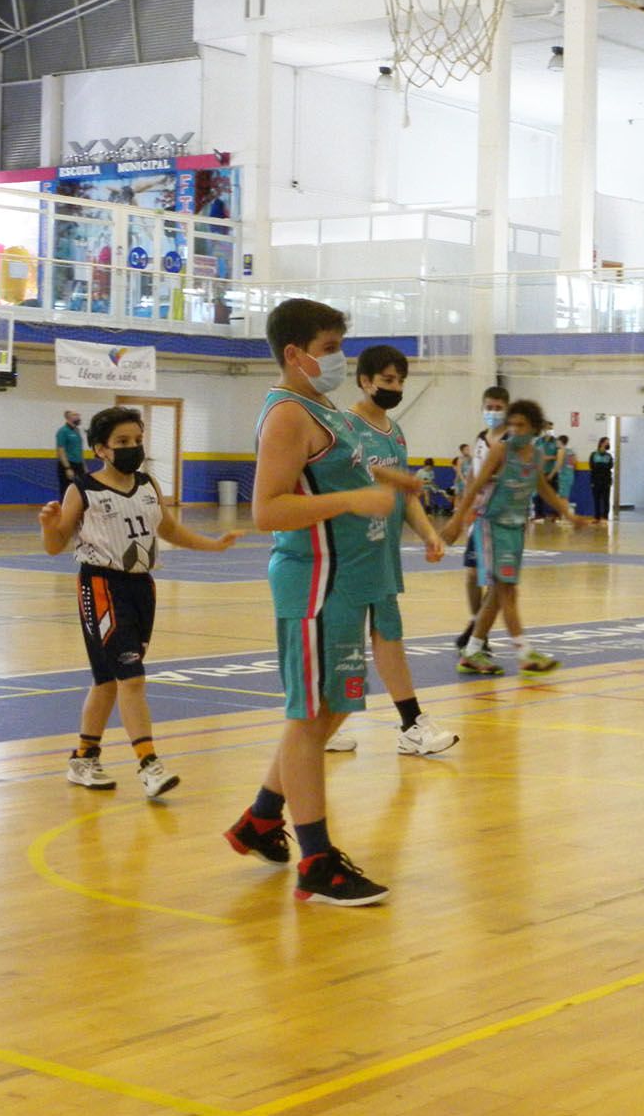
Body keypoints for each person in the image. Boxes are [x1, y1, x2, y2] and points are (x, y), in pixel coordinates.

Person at [223, 298, 420, 906]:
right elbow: (267, 510)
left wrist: (388, 484)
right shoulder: (286, 414)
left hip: (351, 583)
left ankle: (261, 818)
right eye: (331, 347)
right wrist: (352, 502)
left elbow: (338, 477)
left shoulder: (323, 405)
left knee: (330, 712)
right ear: (295, 353)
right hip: (314, 583)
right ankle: (317, 860)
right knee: (310, 720)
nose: (339, 358)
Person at [39, 405, 241, 796]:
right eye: (122, 442)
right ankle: (149, 765)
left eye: (137, 440)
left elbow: (170, 530)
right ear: (101, 449)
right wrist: (49, 527)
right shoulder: (82, 490)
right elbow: (55, 546)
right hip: (101, 586)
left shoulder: (148, 485)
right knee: (131, 678)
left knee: (107, 682)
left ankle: (83, 757)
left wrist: (213, 545)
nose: (133, 447)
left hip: (141, 587)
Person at [322, 345, 459, 758]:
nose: (395, 387)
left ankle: (410, 723)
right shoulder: (341, 427)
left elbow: (407, 493)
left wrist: (428, 534)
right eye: (387, 380)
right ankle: (319, 726)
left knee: (389, 635)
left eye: (400, 381)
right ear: (364, 380)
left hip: (383, 552)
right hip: (347, 551)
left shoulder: (395, 432)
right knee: (345, 648)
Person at [445, 400, 595, 676]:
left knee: (500, 595)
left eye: (520, 425)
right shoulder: (501, 450)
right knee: (507, 591)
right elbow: (475, 485)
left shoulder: (536, 454)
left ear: (534, 428)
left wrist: (568, 514)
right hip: (491, 525)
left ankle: (472, 652)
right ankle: (525, 654)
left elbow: (545, 490)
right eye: (511, 424)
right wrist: (456, 520)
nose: (513, 429)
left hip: (516, 528)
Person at [454, 385, 510, 659]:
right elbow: (474, 478)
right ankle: (477, 623)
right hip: (479, 516)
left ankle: (478, 633)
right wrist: (464, 508)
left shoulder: (514, 440)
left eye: (498, 408)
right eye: (489, 407)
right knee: (472, 574)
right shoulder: (480, 439)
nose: (493, 412)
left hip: (503, 518)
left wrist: (490, 479)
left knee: (496, 581)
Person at [534, 420, 561, 522]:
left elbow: (559, 457)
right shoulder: (538, 442)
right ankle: (539, 515)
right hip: (540, 472)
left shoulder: (556, 442)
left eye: (551, 429)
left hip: (552, 472)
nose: (549, 430)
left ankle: (556, 515)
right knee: (538, 495)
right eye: (547, 429)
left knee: (553, 494)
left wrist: (550, 457)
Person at [56, 409, 85, 495]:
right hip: (68, 464)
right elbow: (61, 450)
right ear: (68, 418)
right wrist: (67, 468)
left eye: (78, 415)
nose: (78, 417)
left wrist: (84, 466)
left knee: (80, 490)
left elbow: (79, 450)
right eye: (75, 415)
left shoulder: (77, 431)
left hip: (78, 465)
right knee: (66, 491)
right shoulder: (63, 431)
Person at [589, 436, 615, 522]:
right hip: (596, 480)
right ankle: (597, 517)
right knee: (596, 499)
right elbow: (592, 466)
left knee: (606, 499)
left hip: (606, 480)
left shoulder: (609, 456)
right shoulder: (594, 455)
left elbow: (610, 466)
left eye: (608, 442)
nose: (608, 444)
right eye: (606, 442)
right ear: (601, 443)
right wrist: (602, 466)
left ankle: (605, 516)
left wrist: (600, 466)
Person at [556, 435, 577, 513]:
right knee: (565, 496)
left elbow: (559, 464)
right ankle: (565, 515)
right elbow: (574, 462)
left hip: (563, 476)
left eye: (557, 441)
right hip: (570, 475)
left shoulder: (561, 451)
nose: (556, 443)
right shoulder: (571, 451)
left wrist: (552, 474)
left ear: (560, 442)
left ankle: (565, 515)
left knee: (563, 497)